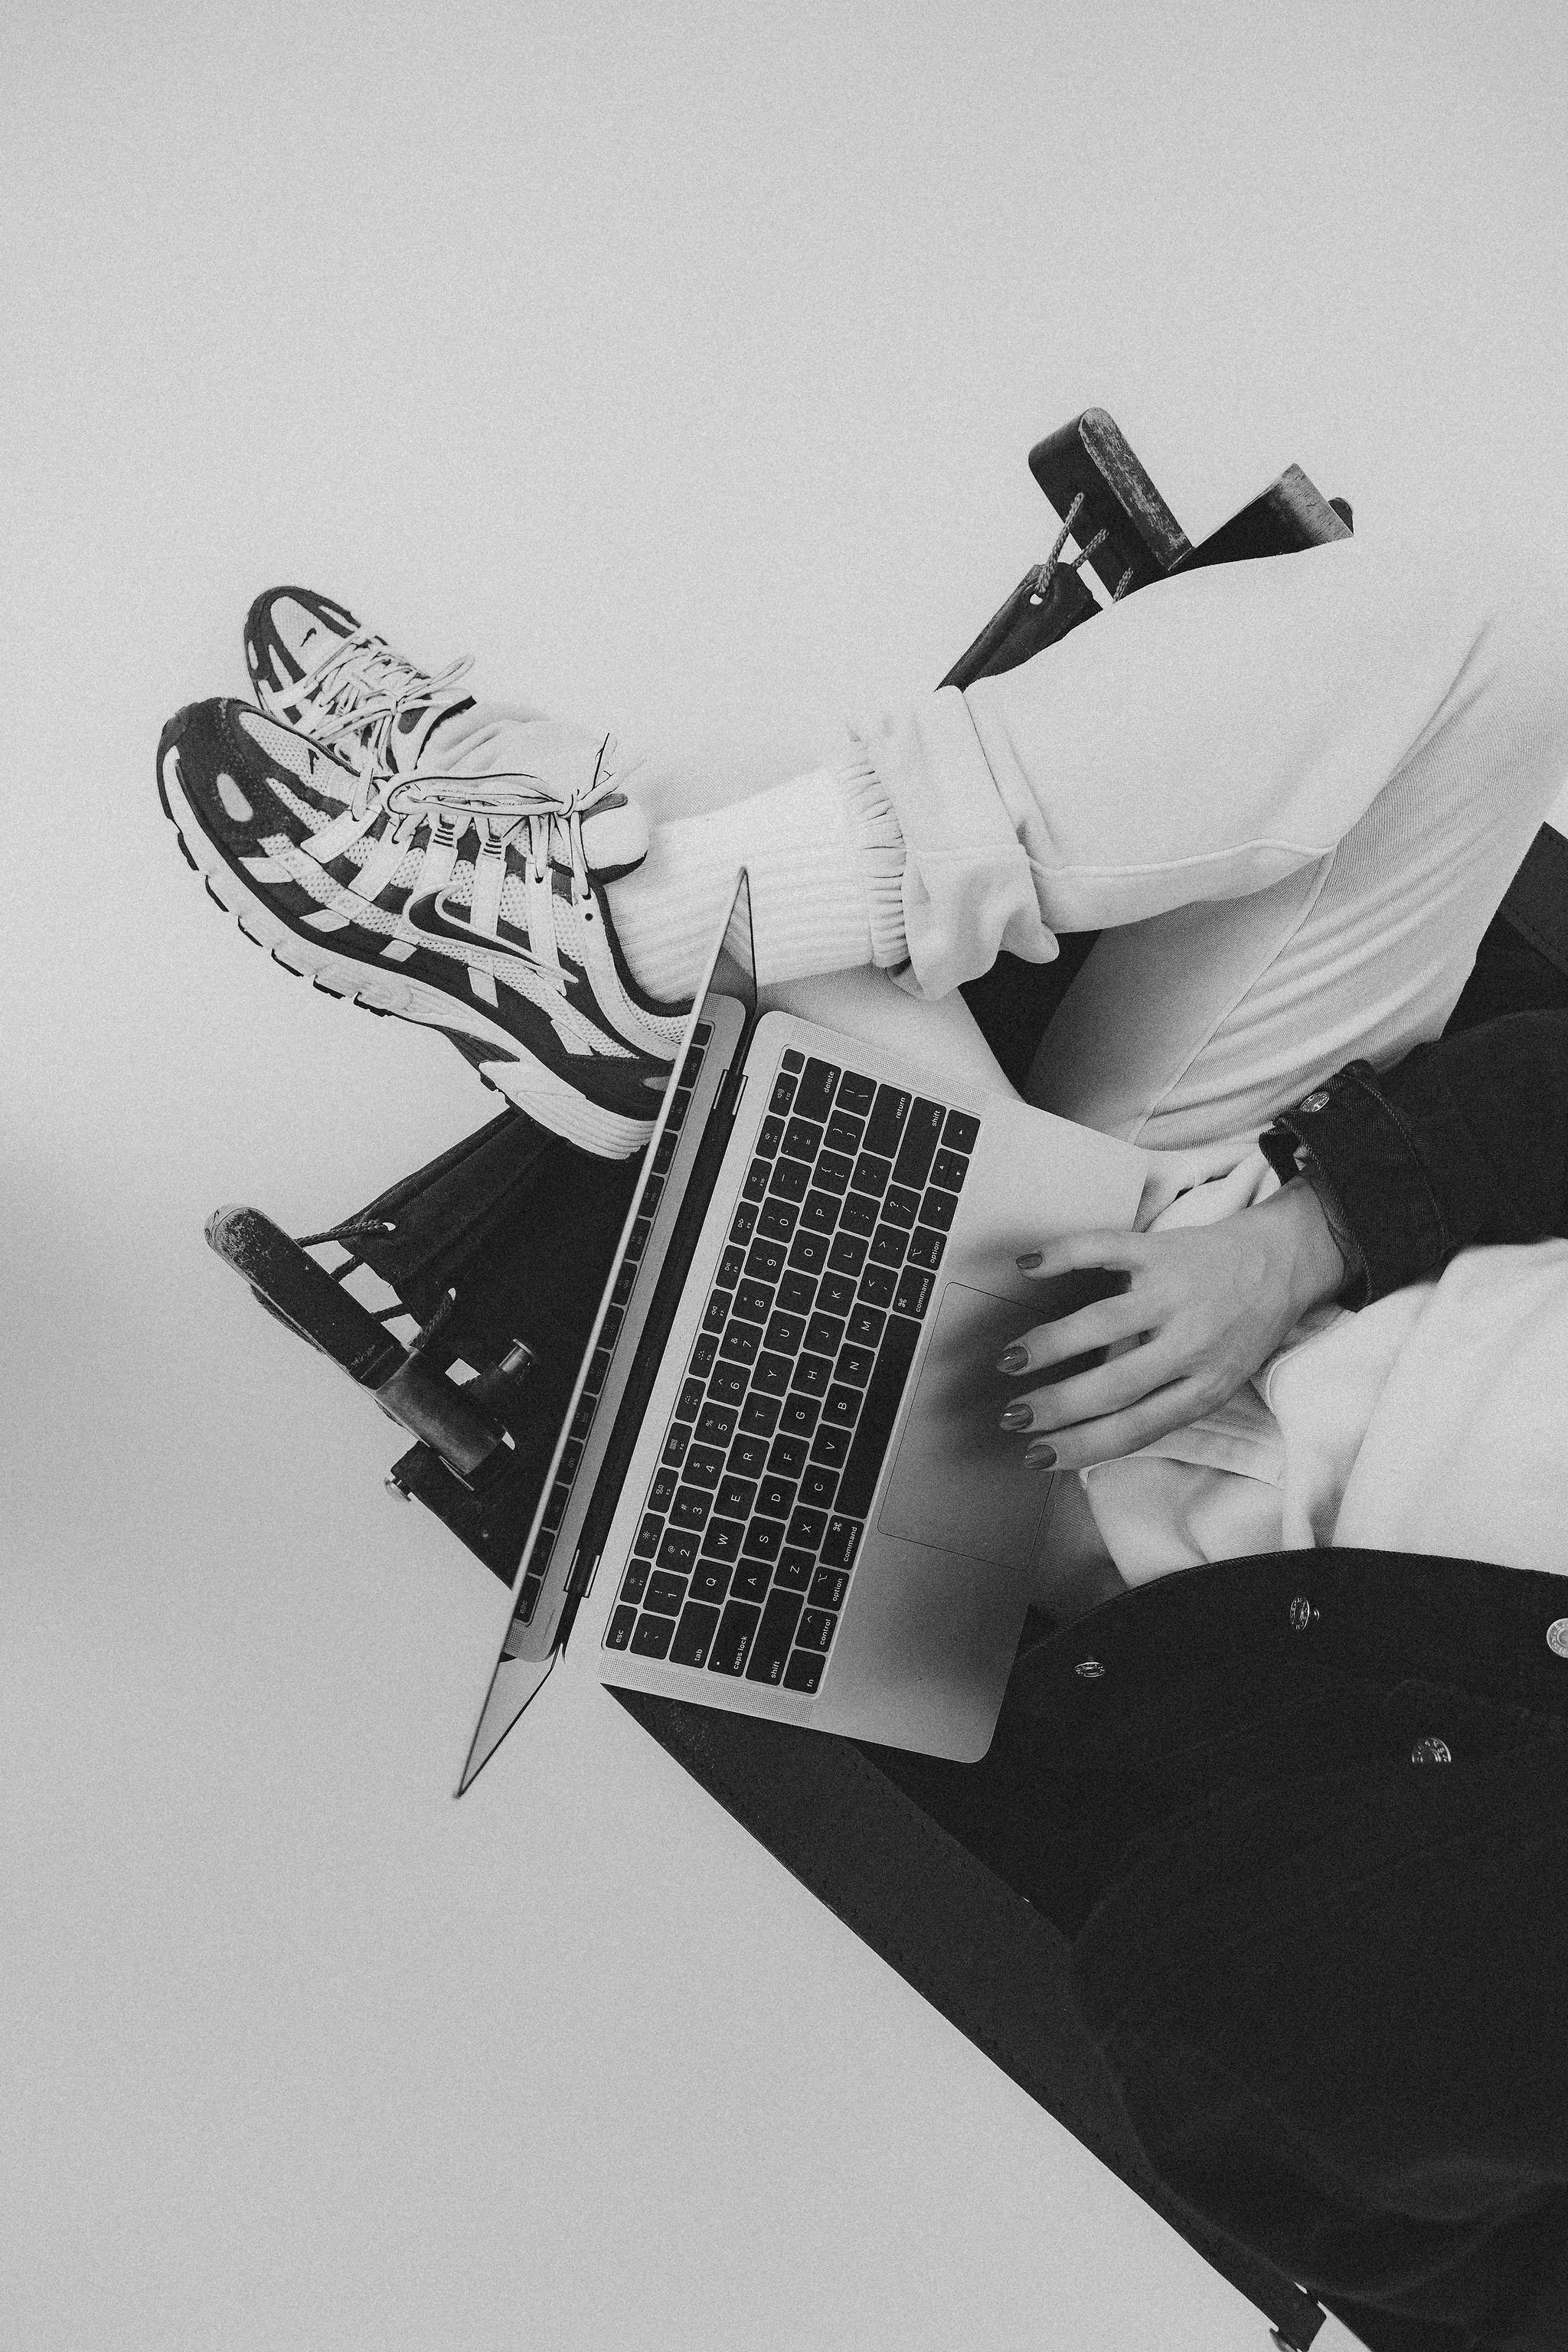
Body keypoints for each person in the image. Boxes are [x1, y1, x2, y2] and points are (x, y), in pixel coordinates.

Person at [161, 532, 1568, 2344]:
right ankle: (615, 933)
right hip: (1275, 1217)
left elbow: (1218, 2031)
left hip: (1095, 1476)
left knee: (781, 897)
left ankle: (583, 885)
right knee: (1490, 641)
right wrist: (1305, 1231)